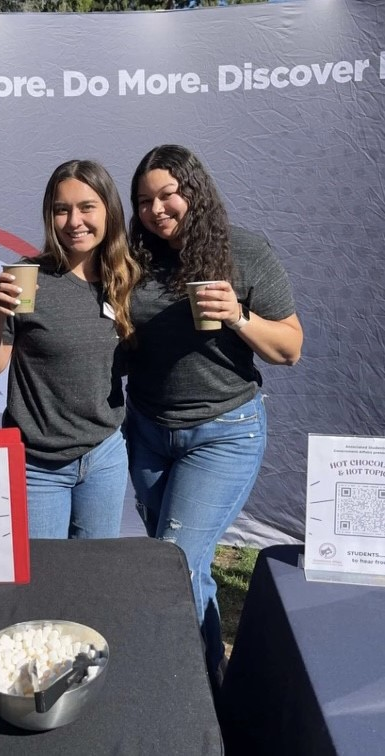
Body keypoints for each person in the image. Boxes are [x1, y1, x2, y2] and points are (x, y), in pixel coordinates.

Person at [125, 144, 303, 684]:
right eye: (144, 201)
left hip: (223, 432)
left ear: (193, 192)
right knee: (180, 562)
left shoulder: (243, 251)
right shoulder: (135, 257)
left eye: (167, 195)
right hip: (149, 430)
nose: (157, 210)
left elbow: (290, 348)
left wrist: (238, 315)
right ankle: (203, 675)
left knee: (176, 560)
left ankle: (201, 690)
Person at [0, 160, 140, 539]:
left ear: (109, 210)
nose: (74, 221)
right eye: (61, 210)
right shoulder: (26, 277)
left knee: (96, 573)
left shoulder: (127, 279)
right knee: (45, 580)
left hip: (104, 456)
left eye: (86, 207)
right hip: (36, 463)